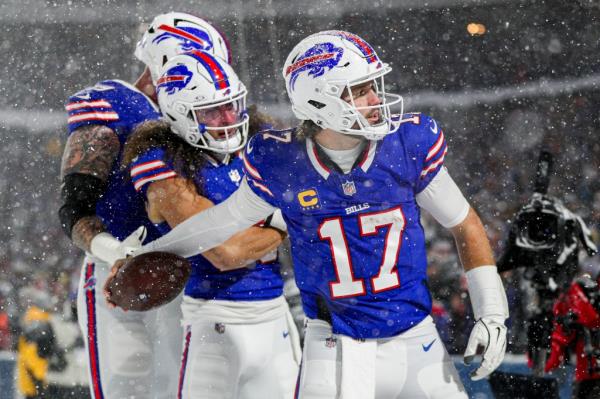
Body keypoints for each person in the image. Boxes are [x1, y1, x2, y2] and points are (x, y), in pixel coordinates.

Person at [134, 30, 509, 398]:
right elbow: (221, 223)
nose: (375, 98)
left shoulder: (405, 145)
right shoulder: (283, 162)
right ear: (322, 101)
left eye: (373, 86)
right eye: (361, 90)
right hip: (334, 345)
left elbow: (464, 223)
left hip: (416, 339)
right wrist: (143, 256)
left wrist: (492, 313)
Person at [58, 12, 231, 398]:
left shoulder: (203, 115)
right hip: (119, 273)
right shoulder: (114, 105)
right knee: (127, 389)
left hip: (183, 275)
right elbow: (74, 207)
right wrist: (114, 250)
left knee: (179, 390)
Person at [115, 50, 300, 399]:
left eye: (232, 104)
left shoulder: (258, 146)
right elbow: (227, 252)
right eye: (213, 110)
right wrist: (285, 218)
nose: (230, 117)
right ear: (178, 114)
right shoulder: (162, 163)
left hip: (276, 318)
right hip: (214, 322)